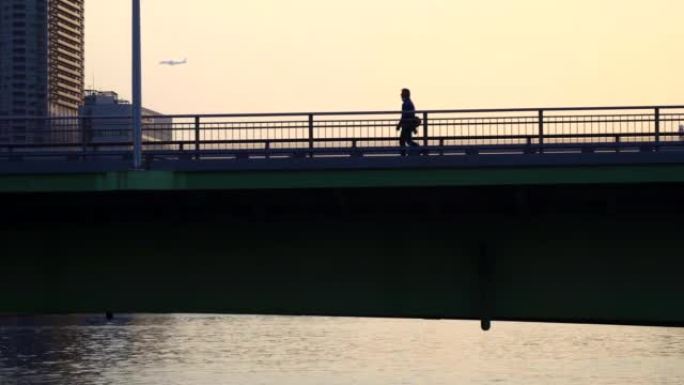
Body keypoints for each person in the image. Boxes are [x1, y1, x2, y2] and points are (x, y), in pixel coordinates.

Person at [396, 88, 420, 155]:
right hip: (408, 124)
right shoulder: (409, 103)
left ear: (405, 94)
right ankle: (416, 149)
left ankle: (417, 149)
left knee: (403, 140)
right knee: (407, 140)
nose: (401, 95)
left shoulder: (406, 103)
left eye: (402, 93)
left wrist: (399, 124)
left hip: (406, 125)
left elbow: (404, 115)